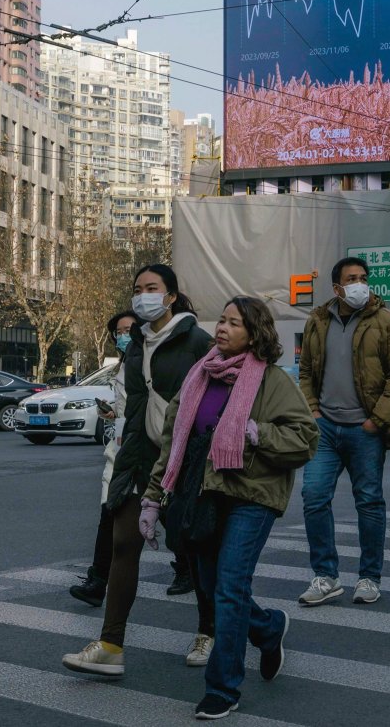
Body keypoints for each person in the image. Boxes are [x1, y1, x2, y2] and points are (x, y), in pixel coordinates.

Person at [141, 297, 319, 721]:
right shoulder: (199, 375)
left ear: (254, 333)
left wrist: (260, 433)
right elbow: (174, 440)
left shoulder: (272, 381)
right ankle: (269, 627)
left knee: (230, 585)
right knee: (214, 585)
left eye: (234, 323)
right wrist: (152, 496)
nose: (222, 328)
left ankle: (223, 688)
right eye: (221, 320)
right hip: (202, 496)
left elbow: (305, 438)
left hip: (251, 494)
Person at [63, 265, 214, 677]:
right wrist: (124, 460)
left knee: (195, 551)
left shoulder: (197, 342)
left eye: (152, 288)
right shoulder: (135, 346)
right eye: (137, 289)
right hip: (140, 461)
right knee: (123, 545)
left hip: (184, 463)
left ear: (170, 296)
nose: (142, 295)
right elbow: (132, 410)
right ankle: (111, 644)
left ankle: (212, 631)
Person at [297, 256, 390, 607]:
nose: (360, 284)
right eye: (352, 279)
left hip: (366, 429)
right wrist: (313, 411)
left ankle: (369, 577)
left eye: (364, 277)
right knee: (313, 497)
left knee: (368, 502)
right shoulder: (317, 320)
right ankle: (325, 576)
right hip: (325, 429)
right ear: (337, 288)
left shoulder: (387, 321)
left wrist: (376, 421)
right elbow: (305, 372)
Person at [70, 310, 139, 608]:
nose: (123, 336)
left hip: (142, 452)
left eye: (129, 329)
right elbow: (126, 406)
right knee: (108, 516)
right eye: (118, 332)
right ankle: (97, 581)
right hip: (120, 451)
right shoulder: (123, 365)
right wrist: (112, 411)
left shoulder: (149, 363)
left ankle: (189, 567)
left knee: (169, 521)